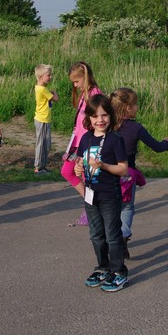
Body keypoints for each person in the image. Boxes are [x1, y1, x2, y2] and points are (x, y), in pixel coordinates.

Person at [73, 95, 130, 292]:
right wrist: (78, 168)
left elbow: (123, 169)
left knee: (112, 235)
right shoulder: (86, 138)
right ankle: (103, 268)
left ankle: (119, 272)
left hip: (109, 195)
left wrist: (103, 165)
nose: (100, 120)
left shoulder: (115, 140)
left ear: (110, 116)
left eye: (104, 115)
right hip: (91, 195)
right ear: (88, 118)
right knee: (96, 235)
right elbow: (79, 162)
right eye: (95, 116)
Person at [109, 87, 168, 257]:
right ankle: (123, 235)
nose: (137, 107)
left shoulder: (106, 125)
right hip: (127, 174)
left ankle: (112, 239)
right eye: (135, 104)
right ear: (128, 108)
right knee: (127, 207)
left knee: (111, 207)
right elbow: (157, 147)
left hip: (108, 173)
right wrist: (166, 142)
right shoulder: (136, 128)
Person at [61, 62, 103, 226]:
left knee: (88, 178)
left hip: (88, 144)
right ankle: (91, 202)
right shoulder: (84, 94)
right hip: (77, 143)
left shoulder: (95, 95)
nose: (75, 85)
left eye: (77, 81)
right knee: (67, 171)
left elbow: (98, 123)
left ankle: (92, 208)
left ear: (86, 77)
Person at [33, 64, 58, 173]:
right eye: (48, 75)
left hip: (45, 119)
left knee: (46, 144)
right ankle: (38, 167)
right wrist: (54, 93)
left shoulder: (41, 88)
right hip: (42, 120)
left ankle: (42, 166)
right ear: (41, 77)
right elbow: (56, 99)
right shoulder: (42, 89)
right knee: (41, 144)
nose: (50, 77)